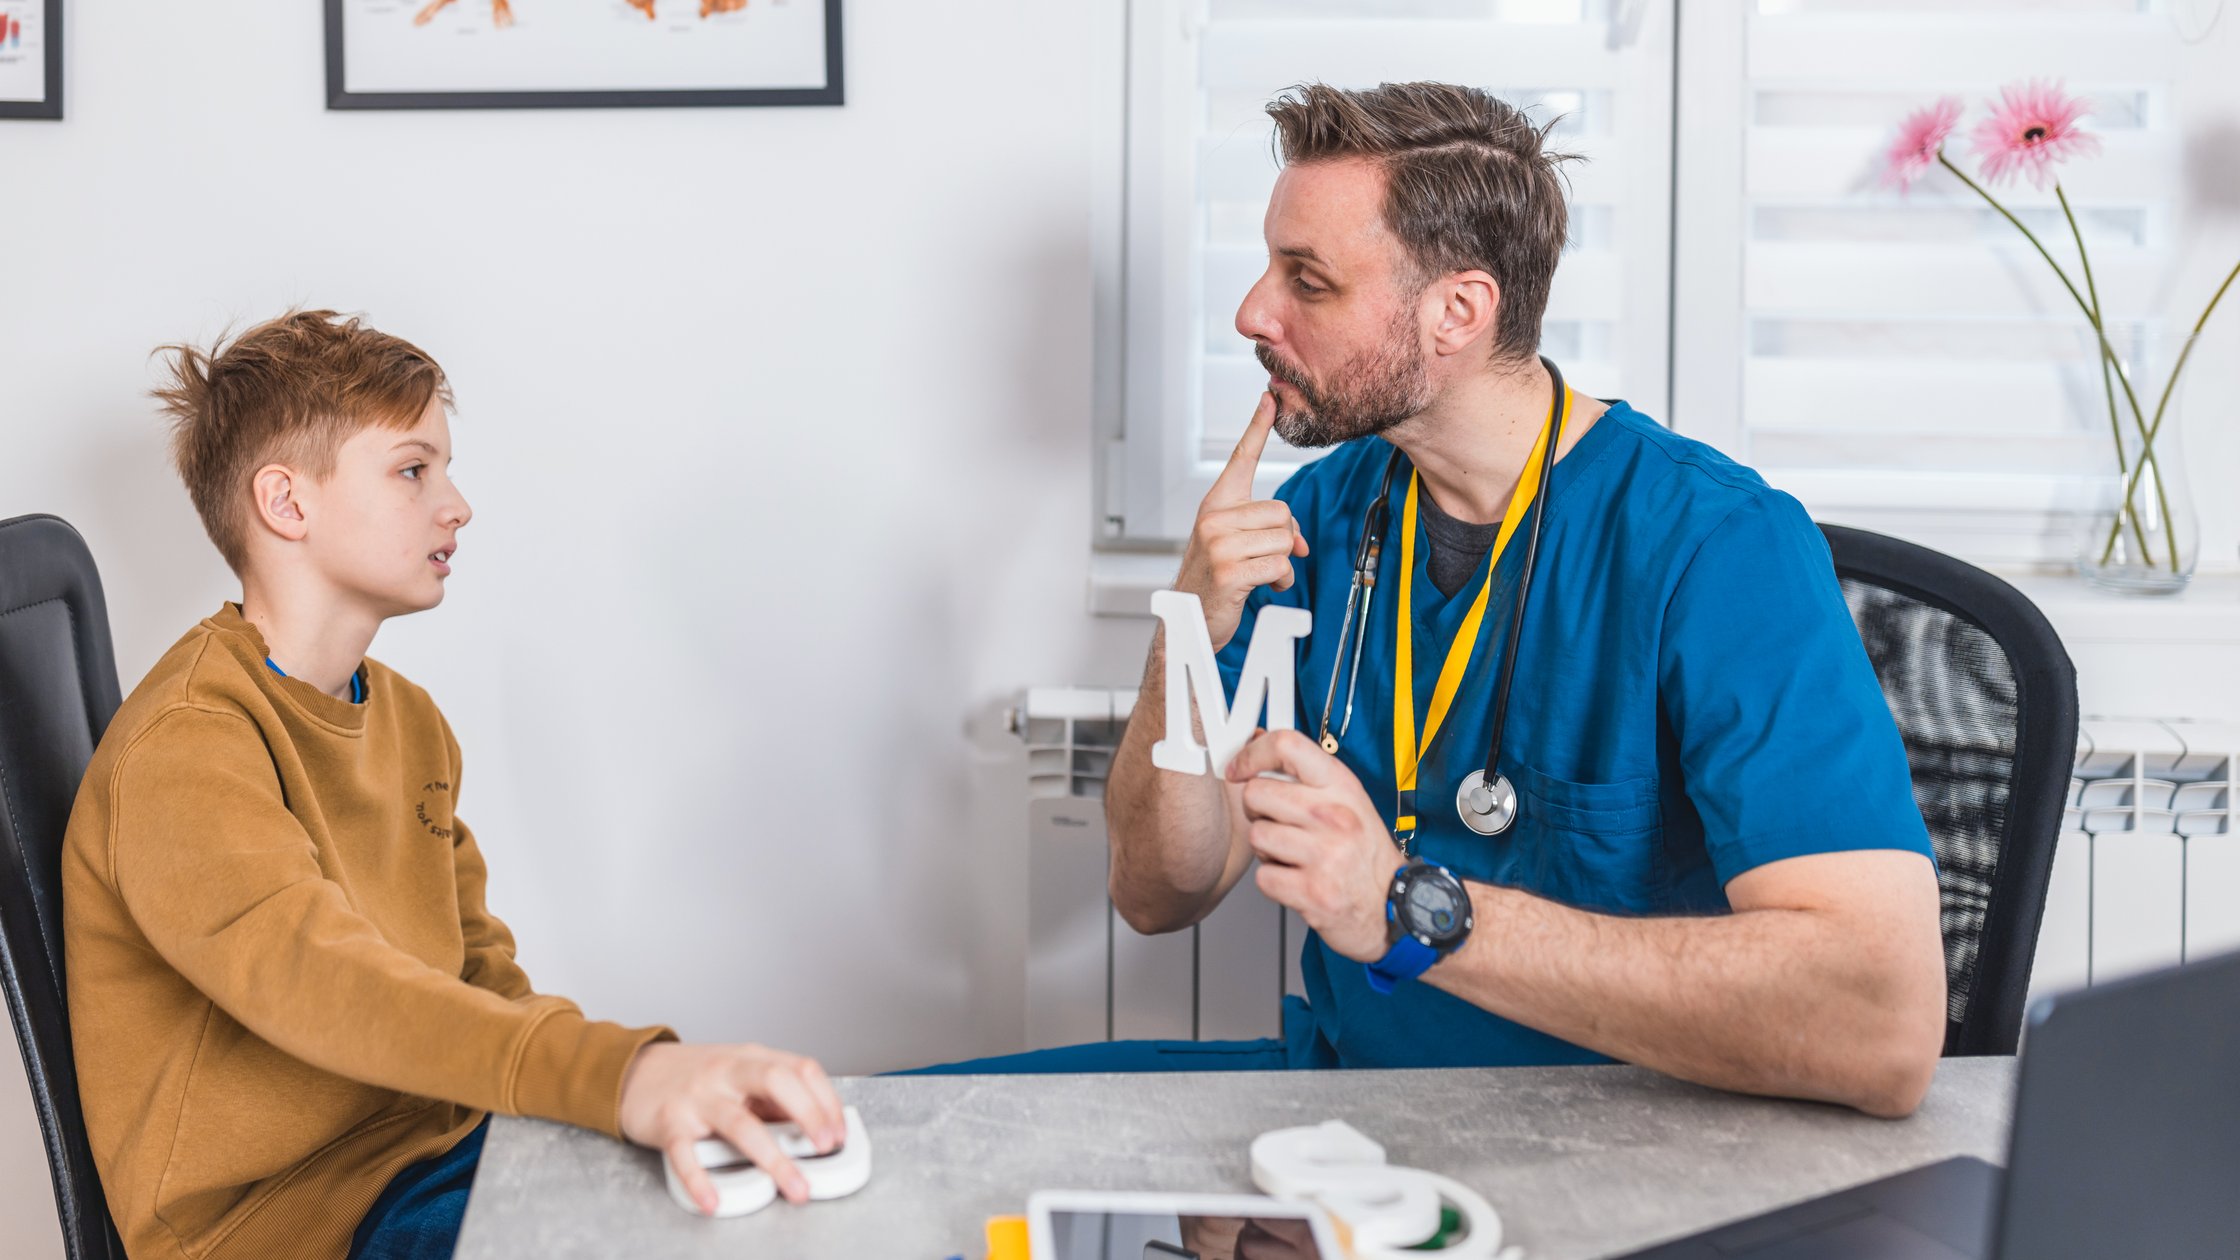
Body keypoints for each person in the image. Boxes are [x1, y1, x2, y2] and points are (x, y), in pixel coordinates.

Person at [929, 82, 1949, 1119]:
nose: (1250, 313)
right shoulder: (1319, 514)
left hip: (1612, 1141)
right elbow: (1157, 892)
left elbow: (1883, 1025)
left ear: (1456, 311)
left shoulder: (1718, 548)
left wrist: (1409, 910)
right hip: (1336, 1117)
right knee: (911, 1145)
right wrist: (1185, 632)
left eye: (1307, 281)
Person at [61, 311, 843, 1260]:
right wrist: (622, 1080)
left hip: (443, 1150)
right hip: (304, 1222)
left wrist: (650, 1084)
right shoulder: (187, 748)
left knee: (776, 1201)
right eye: (412, 470)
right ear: (287, 504)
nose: (457, 504)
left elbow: (481, 980)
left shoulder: (407, 718)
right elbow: (324, 982)